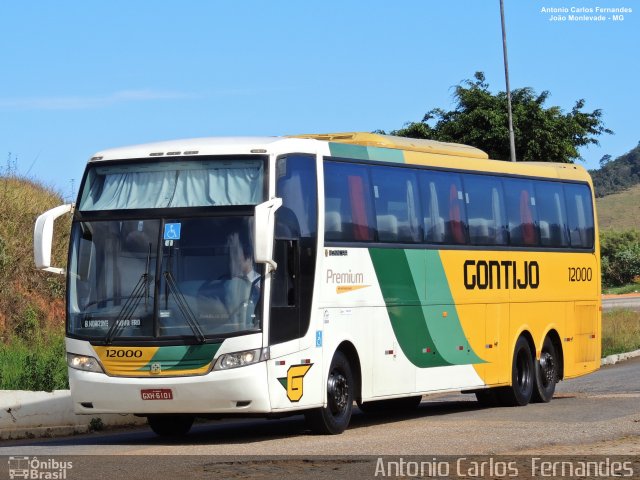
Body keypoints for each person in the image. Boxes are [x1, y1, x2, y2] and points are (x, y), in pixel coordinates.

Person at [225, 231, 260, 328]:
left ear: (249, 259)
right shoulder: (233, 280)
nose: (237, 262)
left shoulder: (259, 282)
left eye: (239, 259)